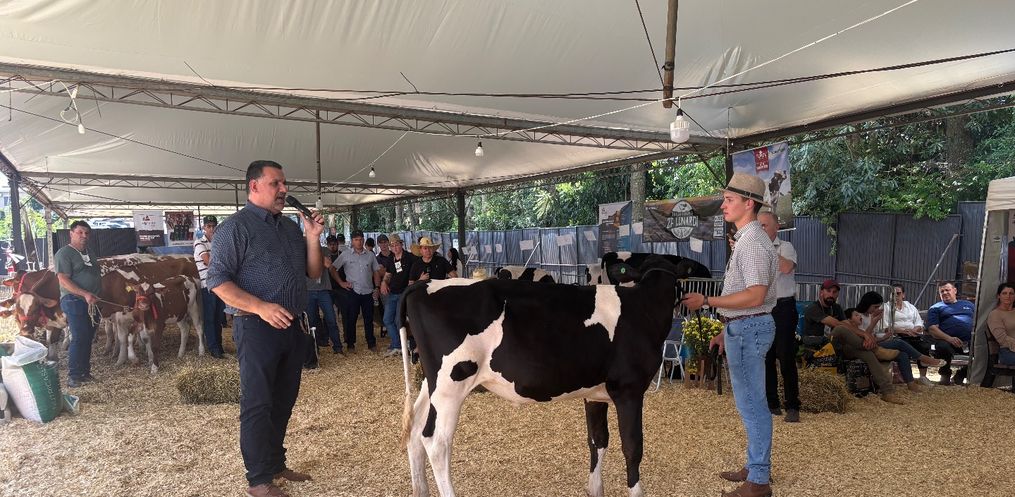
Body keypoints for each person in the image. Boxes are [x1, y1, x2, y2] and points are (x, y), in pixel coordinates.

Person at [207, 160, 324, 497]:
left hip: (293, 326)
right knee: (258, 404)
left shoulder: (289, 227)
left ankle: (275, 464)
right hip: (256, 327)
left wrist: (312, 237)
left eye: (284, 183)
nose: (284, 189)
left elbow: (314, 273)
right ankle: (258, 480)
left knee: (283, 401)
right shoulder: (234, 228)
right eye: (276, 183)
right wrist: (261, 307)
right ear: (254, 186)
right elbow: (217, 281)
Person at [684, 172, 778, 497]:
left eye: (729, 200)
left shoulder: (751, 243)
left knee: (752, 404)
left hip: (749, 327)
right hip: (745, 327)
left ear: (748, 203)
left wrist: (707, 301)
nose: (723, 205)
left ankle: (759, 480)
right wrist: (726, 330)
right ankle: (755, 467)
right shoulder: (749, 239)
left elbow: (755, 295)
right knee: (751, 402)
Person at [757, 211, 800, 423]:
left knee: (785, 356)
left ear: (777, 227)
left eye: (764, 225)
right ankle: (771, 404)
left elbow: (786, 267)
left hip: (783, 306)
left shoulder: (786, 247)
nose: (761, 230)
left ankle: (792, 405)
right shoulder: (755, 249)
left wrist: (766, 248)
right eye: (759, 226)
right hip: (765, 307)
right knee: (766, 357)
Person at [855, 291, 943, 392]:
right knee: (899, 342)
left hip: (877, 343)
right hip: (864, 346)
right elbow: (863, 337)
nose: (876, 310)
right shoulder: (858, 316)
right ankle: (924, 358)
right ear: (867, 304)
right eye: (875, 307)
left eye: (878, 307)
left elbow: (873, 337)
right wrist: (874, 321)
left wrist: (884, 337)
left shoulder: (871, 315)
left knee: (902, 354)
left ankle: (911, 384)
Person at [55, 220, 102, 388]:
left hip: (92, 301)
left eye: (87, 233)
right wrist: (85, 293)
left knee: (88, 337)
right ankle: (74, 376)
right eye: (80, 232)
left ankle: (84, 373)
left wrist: (94, 294)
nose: (84, 236)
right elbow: (63, 279)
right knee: (80, 336)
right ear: (71, 233)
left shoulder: (90, 252)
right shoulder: (64, 253)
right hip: (74, 300)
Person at [830, 305, 907, 404]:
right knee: (840, 328)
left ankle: (887, 392)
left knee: (869, 355)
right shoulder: (817, 308)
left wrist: (868, 333)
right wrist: (867, 334)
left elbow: (868, 337)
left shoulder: (839, 310)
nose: (860, 316)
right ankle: (876, 350)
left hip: (849, 348)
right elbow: (839, 324)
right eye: (856, 315)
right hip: (829, 345)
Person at [331, 230, 381, 352]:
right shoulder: (345, 254)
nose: (359, 242)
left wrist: (377, 287)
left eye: (360, 239)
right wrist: (341, 283)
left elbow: (376, 272)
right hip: (352, 291)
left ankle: (371, 343)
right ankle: (350, 344)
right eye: (356, 240)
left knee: (368, 319)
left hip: (368, 291)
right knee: (351, 318)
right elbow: (332, 268)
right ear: (352, 241)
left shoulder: (370, 255)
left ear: (363, 240)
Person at [885, 284, 935, 386]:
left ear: (903, 295)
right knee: (905, 348)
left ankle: (922, 377)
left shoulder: (911, 307)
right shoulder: (886, 308)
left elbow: (919, 323)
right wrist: (903, 331)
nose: (895, 296)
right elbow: (885, 327)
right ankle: (907, 377)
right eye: (893, 294)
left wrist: (913, 330)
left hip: (913, 334)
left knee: (924, 346)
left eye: (898, 293)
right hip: (896, 335)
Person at [927, 281, 975, 385]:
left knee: (984, 351)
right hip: (947, 341)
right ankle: (945, 375)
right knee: (942, 347)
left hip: (970, 341)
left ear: (955, 290)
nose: (945, 293)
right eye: (942, 291)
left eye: (947, 290)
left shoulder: (969, 305)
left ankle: (961, 374)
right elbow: (932, 329)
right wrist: (950, 339)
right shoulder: (936, 308)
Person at [379, 233, 417, 358]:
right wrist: (384, 282)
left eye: (397, 245)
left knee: (398, 320)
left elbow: (419, 267)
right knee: (387, 320)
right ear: (390, 247)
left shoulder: (410, 257)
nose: (395, 247)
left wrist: (417, 280)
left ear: (401, 244)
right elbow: (388, 274)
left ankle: (399, 345)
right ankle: (398, 345)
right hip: (393, 292)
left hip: (405, 292)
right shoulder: (391, 259)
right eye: (392, 245)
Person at [194, 215, 226, 359]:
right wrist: (222, 262)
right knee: (210, 318)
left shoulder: (219, 242)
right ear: (203, 228)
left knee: (219, 317)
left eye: (214, 226)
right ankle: (213, 348)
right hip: (208, 285)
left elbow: (224, 259)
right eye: (209, 226)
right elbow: (208, 261)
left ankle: (219, 346)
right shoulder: (199, 243)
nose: (212, 229)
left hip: (222, 284)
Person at [307, 249, 342, 355]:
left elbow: (327, 264)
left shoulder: (324, 250)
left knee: (331, 319)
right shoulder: (301, 249)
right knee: (311, 321)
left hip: (323, 290)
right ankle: (314, 349)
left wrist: (313, 253)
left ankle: (338, 347)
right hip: (308, 290)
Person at [802, 279, 848, 351]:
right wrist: (863, 334)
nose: (831, 295)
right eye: (828, 291)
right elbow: (837, 324)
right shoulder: (813, 308)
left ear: (838, 294)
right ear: (821, 292)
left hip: (831, 344)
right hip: (814, 346)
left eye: (834, 292)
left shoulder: (837, 307)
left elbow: (847, 324)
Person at [986, 283, 1015, 365]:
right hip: (1007, 351)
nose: (1008, 296)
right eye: (1004, 293)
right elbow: (1002, 339)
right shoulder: (995, 314)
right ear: (999, 296)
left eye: (1011, 293)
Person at [375, 234, 394, 337]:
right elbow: (379, 273)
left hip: (398, 287)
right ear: (378, 244)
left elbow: (384, 272)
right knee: (388, 310)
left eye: (385, 242)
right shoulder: (377, 259)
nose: (383, 244)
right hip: (385, 288)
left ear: (388, 243)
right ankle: (391, 333)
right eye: (381, 242)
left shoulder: (395, 254)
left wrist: (385, 270)